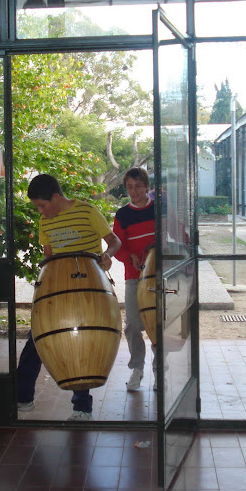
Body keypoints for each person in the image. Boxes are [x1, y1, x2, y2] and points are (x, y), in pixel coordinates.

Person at [16, 174, 121, 421]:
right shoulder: (45, 221)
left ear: (56, 197)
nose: (41, 211)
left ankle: (82, 407)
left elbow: (114, 241)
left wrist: (108, 256)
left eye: (42, 205)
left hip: (89, 286)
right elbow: (49, 257)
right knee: (39, 338)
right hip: (57, 289)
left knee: (82, 338)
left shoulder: (87, 211)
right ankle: (22, 398)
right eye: (37, 208)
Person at [112, 167, 157, 391]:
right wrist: (129, 257)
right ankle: (137, 369)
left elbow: (178, 235)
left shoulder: (160, 209)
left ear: (147, 186)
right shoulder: (122, 215)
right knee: (132, 324)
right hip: (133, 277)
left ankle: (160, 371)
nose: (134, 191)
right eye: (129, 187)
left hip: (159, 278)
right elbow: (117, 246)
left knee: (159, 323)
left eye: (138, 186)